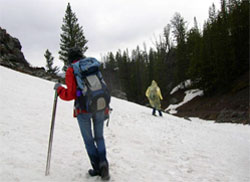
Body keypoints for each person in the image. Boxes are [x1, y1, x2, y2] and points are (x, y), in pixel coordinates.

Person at [54, 47, 110, 180]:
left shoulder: (72, 69)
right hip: (100, 105)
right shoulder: (92, 64)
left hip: (83, 109)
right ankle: (104, 164)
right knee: (99, 137)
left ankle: (97, 168)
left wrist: (59, 89)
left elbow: (70, 94)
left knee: (89, 140)